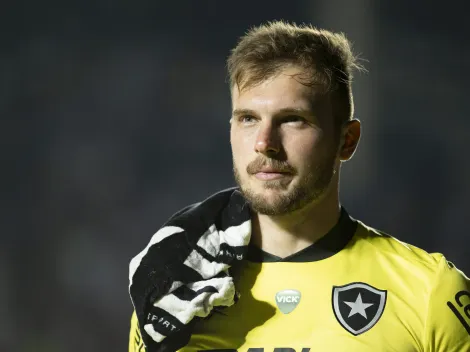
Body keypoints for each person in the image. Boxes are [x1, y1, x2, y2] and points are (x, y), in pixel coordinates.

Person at [128, 21, 470, 352]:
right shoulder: (171, 293)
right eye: (248, 118)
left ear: (346, 141)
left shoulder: (431, 296)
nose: (265, 143)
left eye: (293, 119)